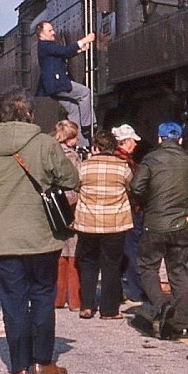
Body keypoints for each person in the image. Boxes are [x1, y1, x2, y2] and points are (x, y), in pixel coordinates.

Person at [0, 87, 79, 374]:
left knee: (13, 303)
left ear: (2, 115)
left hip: (3, 240)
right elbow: (71, 179)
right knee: (42, 297)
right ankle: (43, 362)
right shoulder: (45, 144)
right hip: (42, 237)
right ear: (29, 113)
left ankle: (19, 369)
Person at [130, 121, 188, 339]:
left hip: (155, 224)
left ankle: (160, 304)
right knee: (179, 271)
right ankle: (183, 323)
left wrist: (149, 202)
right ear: (180, 140)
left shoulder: (150, 159)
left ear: (159, 139)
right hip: (182, 225)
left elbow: (136, 187)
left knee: (147, 266)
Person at [72, 130, 133, 320]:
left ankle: (87, 306)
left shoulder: (84, 167)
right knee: (111, 265)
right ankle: (109, 310)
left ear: (95, 148)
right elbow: (130, 187)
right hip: (115, 223)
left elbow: (76, 186)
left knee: (88, 264)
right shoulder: (123, 167)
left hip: (88, 223)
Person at [35, 21, 95, 147]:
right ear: (41, 34)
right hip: (58, 83)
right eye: (50, 31)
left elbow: (63, 54)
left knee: (74, 108)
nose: (53, 33)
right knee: (85, 93)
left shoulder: (47, 47)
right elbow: (63, 51)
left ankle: (80, 143)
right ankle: (87, 125)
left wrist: (79, 50)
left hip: (51, 87)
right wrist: (85, 40)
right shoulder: (45, 45)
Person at [51, 119, 83, 312]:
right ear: (69, 137)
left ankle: (57, 297)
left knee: (59, 250)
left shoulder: (50, 152)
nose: (78, 138)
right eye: (75, 135)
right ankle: (74, 299)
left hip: (55, 204)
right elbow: (77, 180)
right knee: (74, 252)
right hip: (72, 204)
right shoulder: (71, 156)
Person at [112, 124, 144, 303]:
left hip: (124, 209)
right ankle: (135, 290)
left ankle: (126, 288)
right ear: (126, 141)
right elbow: (133, 186)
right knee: (131, 249)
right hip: (129, 209)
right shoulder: (125, 162)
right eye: (133, 141)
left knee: (125, 250)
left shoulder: (121, 158)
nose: (136, 144)